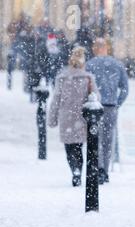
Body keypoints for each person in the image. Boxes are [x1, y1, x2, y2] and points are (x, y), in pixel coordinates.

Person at [48, 47, 99, 187]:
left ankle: (74, 169)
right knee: (78, 146)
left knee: (69, 147)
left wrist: (52, 119)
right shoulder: (88, 78)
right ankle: (78, 169)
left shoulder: (62, 78)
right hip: (82, 118)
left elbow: (56, 100)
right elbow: (96, 98)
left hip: (66, 117)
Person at [86, 38, 129, 184]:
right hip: (111, 105)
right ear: (107, 48)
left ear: (94, 48)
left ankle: (98, 167)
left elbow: (85, 86)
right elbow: (125, 88)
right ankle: (105, 168)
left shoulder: (89, 65)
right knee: (108, 139)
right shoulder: (117, 64)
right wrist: (118, 102)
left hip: (94, 107)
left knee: (94, 137)